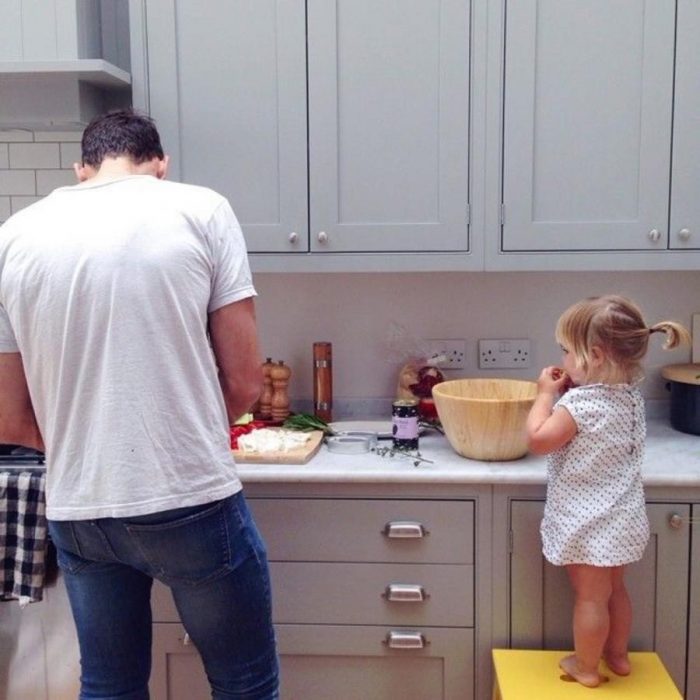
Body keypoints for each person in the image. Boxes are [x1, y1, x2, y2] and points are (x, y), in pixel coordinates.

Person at [0, 109, 279, 699]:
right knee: (244, 685)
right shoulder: (199, 207)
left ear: (82, 170)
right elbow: (248, 383)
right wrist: (181, 430)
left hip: (79, 508)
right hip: (188, 496)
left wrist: (89, 443)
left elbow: (9, 416)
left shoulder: (14, 234)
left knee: (110, 685)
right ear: (160, 165)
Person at [526, 294, 689, 688]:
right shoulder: (630, 397)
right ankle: (618, 656)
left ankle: (585, 667)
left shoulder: (580, 405)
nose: (563, 359)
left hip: (588, 523)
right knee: (616, 590)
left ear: (594, 355)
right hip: (623, 517)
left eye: (567, 351)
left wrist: (545, 396)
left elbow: (537, 439)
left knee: (590, 599)